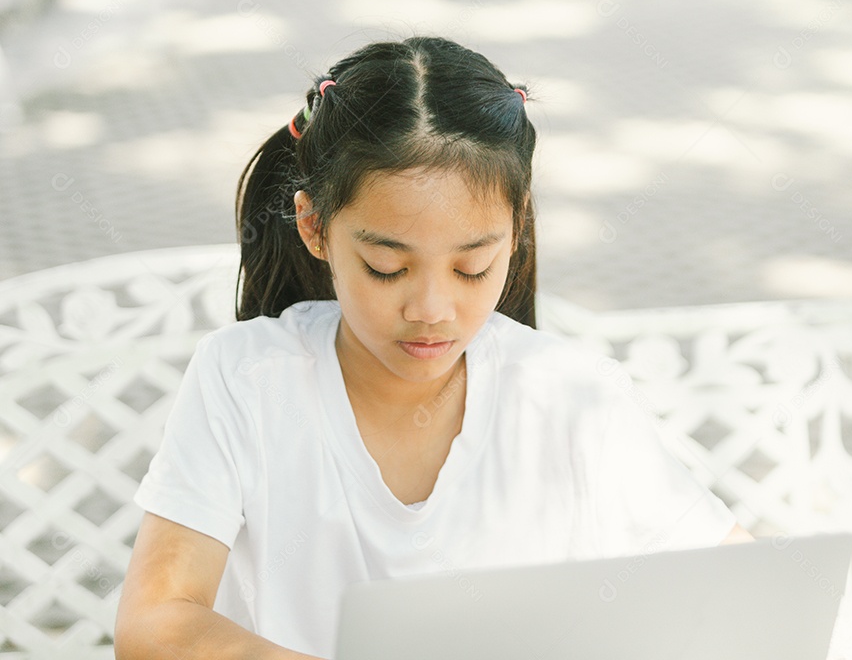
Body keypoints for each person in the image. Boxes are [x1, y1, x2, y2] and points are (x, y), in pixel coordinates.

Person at [114, 36, 752, 660]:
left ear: (517, 228)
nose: (431, 312)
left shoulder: (570, 396)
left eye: (472, 267)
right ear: (313, 226)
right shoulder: (248, 379)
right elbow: (155, 624)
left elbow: (738, 580)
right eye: (386, 267)